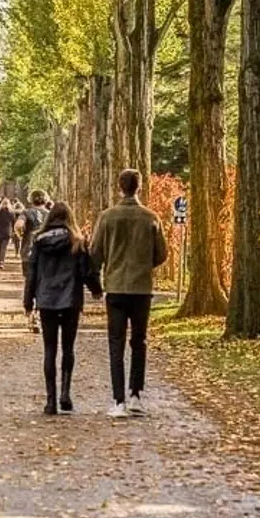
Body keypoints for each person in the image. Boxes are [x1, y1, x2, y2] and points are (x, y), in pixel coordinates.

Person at [89, 169, 168, 417]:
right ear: (140, 187)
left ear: (119, 187)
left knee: (116, 343)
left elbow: (95, 253)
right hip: (141, 288)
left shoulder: (107, 217)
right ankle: (136, 394)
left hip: (115, 287)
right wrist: (143, 266)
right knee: (139, 342)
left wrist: (102, 274)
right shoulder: (151, 217)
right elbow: (161, 254)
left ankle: (118, 400)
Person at [23, 201, 102, 415]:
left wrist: (28, 302)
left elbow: (32, 273)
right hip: (70, 300)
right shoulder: (77, 241)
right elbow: (86, 271)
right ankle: (65, 393)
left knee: (50, 349)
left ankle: (50, 401)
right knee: (68, 348)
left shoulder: (38, 242)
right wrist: (96, 289)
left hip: (47, 300)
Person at [16, 190, 51, 330]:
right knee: (43, 283)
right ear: (45, 200)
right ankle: (39, 312)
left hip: (28, 252)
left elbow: (18, 225)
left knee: (29, 283)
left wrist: (21, 235)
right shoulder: (50, 215)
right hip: (46, 253)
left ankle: (30, 313)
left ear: (31, 200)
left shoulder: (26, 213)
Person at [0, 197, 16, 269]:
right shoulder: (11, 212)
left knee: (0, 247)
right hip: (7, 232)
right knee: (4, 248)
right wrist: (13, 231)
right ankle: (1, 262)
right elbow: (13, 222)